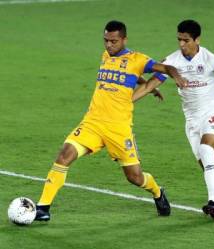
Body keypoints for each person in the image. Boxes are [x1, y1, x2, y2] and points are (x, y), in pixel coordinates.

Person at [35, 20, 187, 221]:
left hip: (119, 128)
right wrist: (145, 85)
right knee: (64, 155)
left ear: (124, 39)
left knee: (135, 177)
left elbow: (167, 68)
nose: (108, 45)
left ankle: (158, 192)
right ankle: (43, 208)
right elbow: (126, 75)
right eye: (105, 41)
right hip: (93, 122)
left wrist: (177, 78)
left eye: (113, 41)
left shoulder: (137, 59)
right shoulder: (106, 56)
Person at [132, 20, 214, 219]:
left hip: (213, 112)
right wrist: (127, 101)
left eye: (186, 40)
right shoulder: (172, 61)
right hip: (192, 121)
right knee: (212, 169)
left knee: (206, 150)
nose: (182, 44)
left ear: (197, 40)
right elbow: (150, 85)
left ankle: (213, 204)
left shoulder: (208, 57)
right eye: (179, 40)